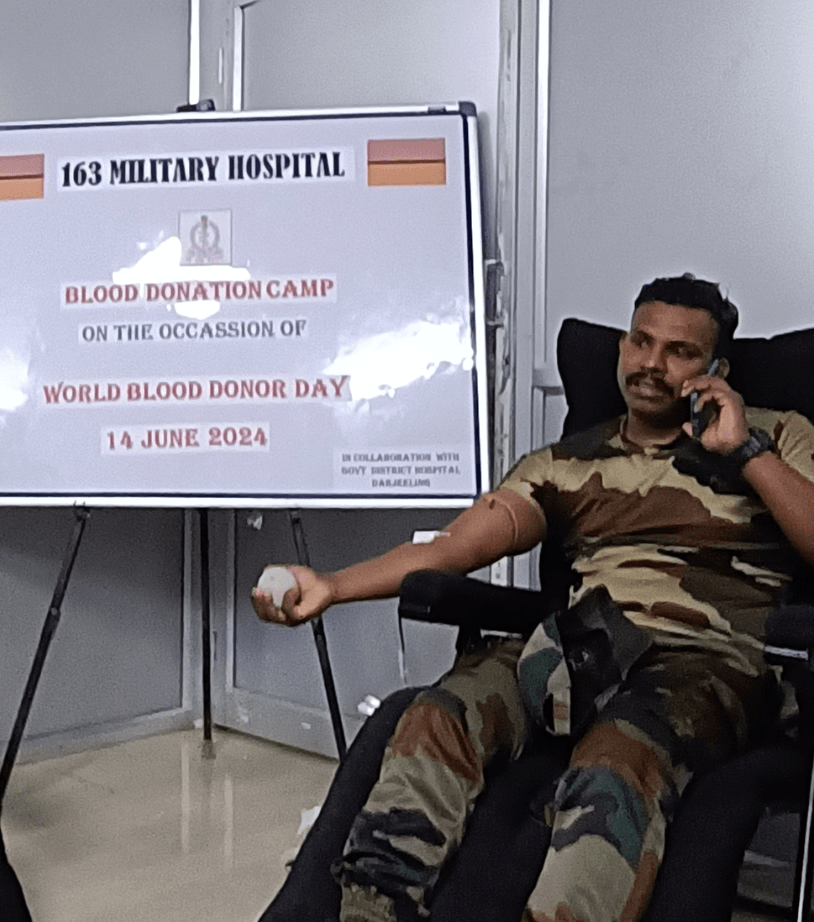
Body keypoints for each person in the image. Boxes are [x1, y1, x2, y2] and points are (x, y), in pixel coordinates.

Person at [252, 274, 814, 922]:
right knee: (437, 714)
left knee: (616, 760)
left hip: (712, 658)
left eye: (680, 352)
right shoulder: (565, 463)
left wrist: (744, 451)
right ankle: (369, 911)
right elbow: (451, 549)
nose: (652, 364)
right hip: (582, 643)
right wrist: (332, 585)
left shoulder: (779, 435)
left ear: (717, 368)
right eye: (640, 341)